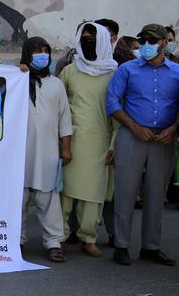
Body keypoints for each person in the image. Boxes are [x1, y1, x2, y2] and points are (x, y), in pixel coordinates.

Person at [107, 23, 179, 266]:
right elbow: (112, 102)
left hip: (164, 138)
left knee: (155, 194)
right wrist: (134, 127)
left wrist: (174, 130)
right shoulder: (127, 69)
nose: (147, 44)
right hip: (133, 134)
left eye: (152, 40)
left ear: (163, 43)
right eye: (144, 40)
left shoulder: (178, 73)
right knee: (125, 191)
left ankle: (151, 246)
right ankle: (121, 245)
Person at [59, 22, 117, 258]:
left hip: (100, 141)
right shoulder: (70, 71)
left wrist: (113, 144)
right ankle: (59, 236)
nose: (88, 41)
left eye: (93, 37)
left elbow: (119, 113)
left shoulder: (115, 73)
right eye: (84, 37)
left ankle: (88, 237)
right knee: (66, 192)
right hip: (70, 140)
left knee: (94, 194)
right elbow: (58, 105)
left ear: (103, 40)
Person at [20, 37, 74, 262]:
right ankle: (16, 239)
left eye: (45, 51)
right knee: (19, 198)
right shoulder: (17, 80)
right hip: (20, 152)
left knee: (48, 198)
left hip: (48, 151)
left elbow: (65, 119)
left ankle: (53, 241)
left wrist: (66, 148)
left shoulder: (56, 84)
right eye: (36, 51)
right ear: (27, 55)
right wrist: (18, 72)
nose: (41, 55)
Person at [55, 18, 119, 77]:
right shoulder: (69, 64)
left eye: (103, 34)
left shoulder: (117, 67)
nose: (98, 38)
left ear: (114, 38)